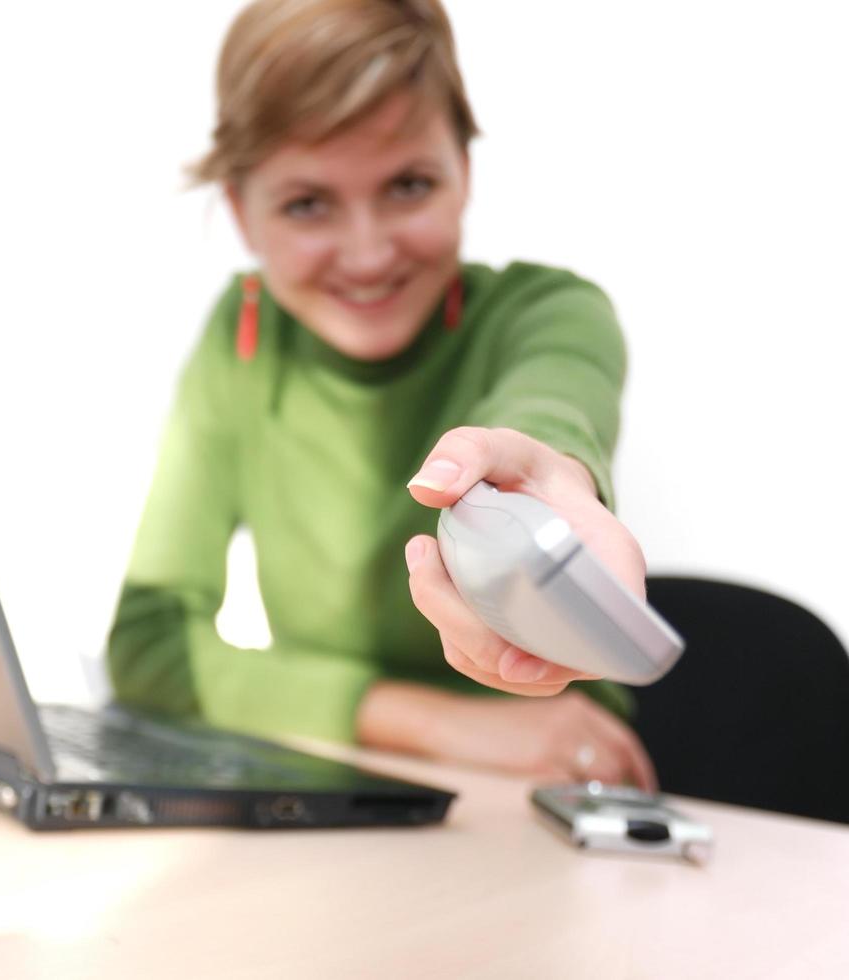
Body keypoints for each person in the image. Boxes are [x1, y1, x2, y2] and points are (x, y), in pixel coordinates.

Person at [106, 0, 656, 790]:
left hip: (550, 797)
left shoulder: (546, 313)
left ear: (464, 172)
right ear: (241, 212)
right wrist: (435, 724)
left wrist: (550, 477)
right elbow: (150, 644)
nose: (366, 256)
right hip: (347, 792)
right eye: (307, 204)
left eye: (407, 185)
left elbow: (552, 410)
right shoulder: (243, 340)